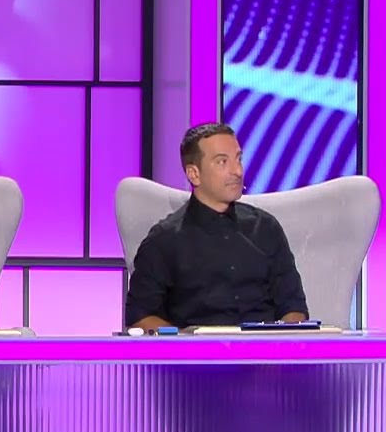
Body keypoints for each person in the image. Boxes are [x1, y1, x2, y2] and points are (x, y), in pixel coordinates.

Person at [125, 122, 308, 331]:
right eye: (222, 162)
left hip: (264, 349)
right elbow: (140, 315)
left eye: (238, 159)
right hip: (198, 349)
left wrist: (283, 341)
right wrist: (185, 342)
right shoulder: (163, 240)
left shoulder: (266, 228)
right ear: (194, 174)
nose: (237, 171)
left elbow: (294, 307)